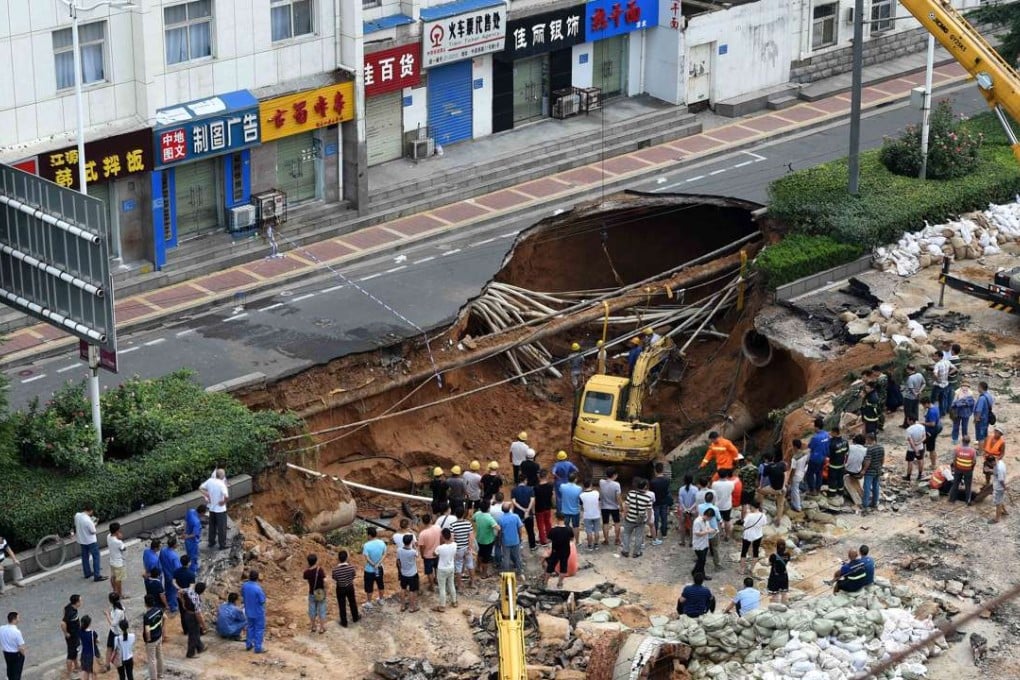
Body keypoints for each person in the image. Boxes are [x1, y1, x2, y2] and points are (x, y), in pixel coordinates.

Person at [621, 478, 653, 559]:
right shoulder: (648, 498)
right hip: (640, 520)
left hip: (629, 518)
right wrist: (649, 520)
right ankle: (636, 553)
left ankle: (625, 551)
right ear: (645, 487)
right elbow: (649, 510)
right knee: (639, 536)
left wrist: (624, 515)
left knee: (626, 534)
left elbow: (626, 506)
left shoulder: (631, 493)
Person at [199, 469, 229, 551]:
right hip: (220, 510)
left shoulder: (210, 481)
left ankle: (211, 542)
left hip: (211, 509)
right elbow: (226, 496)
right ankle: (222, 545)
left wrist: (206, 494)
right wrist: (223, 502)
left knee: (212, 526)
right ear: (222, 476)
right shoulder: (222, 484)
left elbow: (200, 488)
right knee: (221, 528)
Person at [74, 506, 106, 582]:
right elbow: (93, 531)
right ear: (90, 511)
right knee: (96, 557)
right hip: (91, 541)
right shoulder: (88, 521)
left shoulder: (77, 515)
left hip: (82, 540)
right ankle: (97, 575)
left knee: (85, 556)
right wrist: (94, 523)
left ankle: (87, 573)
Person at [543, 513, 574, 589]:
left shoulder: (553, 530)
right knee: (563, 567)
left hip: (555, 551)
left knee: (550, 566)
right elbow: (572, 539)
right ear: (564, 519)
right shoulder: (569, 529)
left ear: (557, 519)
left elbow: (547, 540)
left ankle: (545, 583)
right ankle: (560, 584)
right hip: (566, 551)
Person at [331, 551, 359, 628]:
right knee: (352, 602)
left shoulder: (335, 570)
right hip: (350, 587)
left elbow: (334, 578)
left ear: (338, 559)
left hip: (340, 588)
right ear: (347, 558)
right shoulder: (351, 567)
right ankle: (355, 617)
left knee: (341, 604)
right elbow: (354, 576)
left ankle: (344, 622)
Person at [739, 500, 767, 574]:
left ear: (753, 507)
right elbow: (764, 524)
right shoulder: (763, 515)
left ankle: (742, 570)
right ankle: (752, 569)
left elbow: (744, 524)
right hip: (758, 534)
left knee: (744, 552)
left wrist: (747, 514)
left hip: (748, 535)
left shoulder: (749, 515)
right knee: (755, 551)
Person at [180, 582, 207, 658]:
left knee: (195, 632)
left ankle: (200, 647)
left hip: (187, 614)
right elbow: (198, 615)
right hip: (192, 617)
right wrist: (203, 625)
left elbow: (180, 591)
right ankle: (190, 653)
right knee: (193, 635)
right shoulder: (197, 599)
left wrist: (183, 602)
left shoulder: (189, 590)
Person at [241, 570, 266, 653]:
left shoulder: (244, 586)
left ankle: (248, 644)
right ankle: (258, 647)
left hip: (248, 610)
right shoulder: (258, 588)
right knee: (259, 629)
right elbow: (262, 600)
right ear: (257, 578)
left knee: (250, 627)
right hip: (258, 612)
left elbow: (242, 594)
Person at [472, 504, 500, 580]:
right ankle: (484, 574)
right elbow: (498, 528)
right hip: (488, 540)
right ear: (488, 509)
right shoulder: (489, 518)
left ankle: (477, 567)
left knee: (480, 553)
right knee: (486, 558)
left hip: (479, 538)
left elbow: (473, 519)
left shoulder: (477, 514)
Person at [361, 527, 387, 607]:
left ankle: (369, 602)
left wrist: (373, 564)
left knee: (369, 586)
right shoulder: (382, 543)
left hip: (369, 570)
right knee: (380, 583)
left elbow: (367, 558)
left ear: (369, 535)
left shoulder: (366, 545)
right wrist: (378, 563)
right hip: (379, 568)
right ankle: (381, 599)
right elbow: (384, 554)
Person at [434, 529, 458, 612]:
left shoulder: (440, 548)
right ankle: (454, 602)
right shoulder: (455, 545)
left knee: (442, 588)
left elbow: (435, 554)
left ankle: (442, 606)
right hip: (451, 567)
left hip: (442, 569)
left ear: (443, 537)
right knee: (451, 584)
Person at [759, 451, 787, 524]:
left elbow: (763, 478)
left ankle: (760, 507)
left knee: (760, 491)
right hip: (783, 489)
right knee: (780, 504)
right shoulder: (780, 465)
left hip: (774, 489)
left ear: (766, 460)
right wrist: (783, 485)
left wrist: (760, 487)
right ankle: (778, 519)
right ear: (773, 458)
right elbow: (785, 473)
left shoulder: (767, 467)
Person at [450, 509, 475, 587]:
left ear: (455, 515)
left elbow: (452, 538)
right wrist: (470, 548)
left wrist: (454, 549)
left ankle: (459, 585)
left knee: (458, 566)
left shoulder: (452, 525)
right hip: (467, 547)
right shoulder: (468, 524)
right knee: (470, 565)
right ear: (463, 514)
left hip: (458, 549)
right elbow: (471, 537)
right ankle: (472, 583)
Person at [498, 502, 525, 576]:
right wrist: (519, 537)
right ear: (510, 509)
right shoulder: (516, 516)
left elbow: (500, 532)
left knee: (506, 558)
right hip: (515, 540)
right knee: (517, 557)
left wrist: (499, 540)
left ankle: (506, 573)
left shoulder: (500, 519)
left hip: (506, 541)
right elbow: (520, 528)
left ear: (502, 510)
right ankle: (519, 572)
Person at [395, 535, 420, 614]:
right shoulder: (412, 552)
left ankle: (403, 606)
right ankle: (412, 607)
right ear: (410, 542)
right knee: (412, 590)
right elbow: (417, 555)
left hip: (403, 573)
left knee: (403, 588)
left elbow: (398, 560)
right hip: (412, 573)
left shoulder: (399, 550)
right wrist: (415, 546)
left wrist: (401, 568)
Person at [141, 595, 164, 680]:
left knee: (152, 660)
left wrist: (148, 639)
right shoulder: (158, 610)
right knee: (160, 655)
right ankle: (160, 674)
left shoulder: (147, 616)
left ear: (145, 604)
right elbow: (164, 617)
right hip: (159, 636)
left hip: (152, 640)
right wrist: (161, 628)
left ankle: (154, 678)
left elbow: (147, 630)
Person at [949, 436, 977, 505]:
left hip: (958, 469)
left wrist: (956, 467)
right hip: (968, 470)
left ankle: (952, 499)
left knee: (955, 484)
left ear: (962, 441)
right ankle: (968, 501)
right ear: (969, 442)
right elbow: (974, 461)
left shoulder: (957, 449)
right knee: (968, 486)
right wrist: (971, 468)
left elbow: (954, 460)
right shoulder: (972, 451)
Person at [690, 508, 717, 580]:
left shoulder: (706, 521)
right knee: (702, 560)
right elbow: (697, 533)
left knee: (701, 560)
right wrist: (707, 532)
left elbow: (708, 528)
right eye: (710, 517)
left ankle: (694, 571)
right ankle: (702, 575)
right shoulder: (697, 521)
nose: (710, 519)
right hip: (698, 544)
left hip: (705, 543)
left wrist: (714, 530)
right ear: (708, 516)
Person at [303, 554, 327, 634]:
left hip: (311, 593)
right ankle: (322, 628)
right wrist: (325, 590)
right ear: (316, 561)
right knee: (322, 610)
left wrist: (308, 567)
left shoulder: (307, 572)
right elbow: (325, 581)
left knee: (312, 610)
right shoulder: (320, 570)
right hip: (320, 592)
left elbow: (305, 576)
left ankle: (313, 626)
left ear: (308, 562)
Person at [511, 478, 537, 551]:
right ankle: (532, 546)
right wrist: (528, 510)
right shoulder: (530, 489)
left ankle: (518, 545)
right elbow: (532, 500)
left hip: (518, 513)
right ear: (525, 480)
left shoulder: (514, 490)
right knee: (530, 530)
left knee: (517, 530)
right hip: (528, 514)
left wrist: (522, 509)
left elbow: (514, 502)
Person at [861, 433, 885, 513]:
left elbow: (868, 461)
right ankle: (874, 503)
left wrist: (864, 470)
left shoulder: (870, 449)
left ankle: (865, 504)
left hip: (870, 471)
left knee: (867, 487)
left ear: (869, 439)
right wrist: (880, 466)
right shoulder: (881, 447)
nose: (866, 441)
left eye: (867, 439)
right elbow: (882, 459)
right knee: (876, 486)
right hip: (878, 470)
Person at [599, 468, 623, 547]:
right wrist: (621, 506)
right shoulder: (616, 484)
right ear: (614, 475)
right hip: (614, 507)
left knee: (605, 523)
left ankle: (606, 540)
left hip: (604, 507)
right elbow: (618, 497)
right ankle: (617, 539)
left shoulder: (601, 482)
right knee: (617, 523)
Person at [698, 492, 722, 570]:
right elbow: (719, 519)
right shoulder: (715, 508)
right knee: (715, 548)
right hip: (713, 531)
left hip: (703, 531)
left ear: (704, 498)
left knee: (703, 548)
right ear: (712, 499)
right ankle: (717, 565)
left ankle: (701, 563)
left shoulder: (699, 507)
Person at [710, 470, 736, 541]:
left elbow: (713, 493)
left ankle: (717, 535)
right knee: (727, 520)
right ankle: (727, 535)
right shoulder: (731, 483)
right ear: (726, 475)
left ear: (718, 475)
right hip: (727, 505)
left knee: (717, 520)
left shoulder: (714, 484)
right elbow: (732, 491)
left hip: (717, 506)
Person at [649, 463, 672, 544]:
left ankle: (654, 534)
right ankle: (664, 533)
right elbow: (668, 491)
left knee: (655, 518)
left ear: (655, 470)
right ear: (663, 470)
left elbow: (651, 493)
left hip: (655, 502)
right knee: (664, 518)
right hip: (664, 501)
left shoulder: (652, 481)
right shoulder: (667, 480)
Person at [158, 538, 182, 616]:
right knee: (173, 591)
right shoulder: (174, 556)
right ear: (174, 545)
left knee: (167, 588)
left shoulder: (163, 550)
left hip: (166, 573)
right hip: (172, 575)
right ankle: (173, 607)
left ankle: (167, 600)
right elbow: (177, 569)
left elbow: (160, 560)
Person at [103, 593, 126, 673]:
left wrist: (107, 615)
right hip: (113, 631)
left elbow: (113, 623)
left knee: (117, 650)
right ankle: (107, 665)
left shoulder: (119, 611)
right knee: (109, 648)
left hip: (117, 633)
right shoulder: (118, 607)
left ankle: (119, 664)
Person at [806, 417, 830, 494]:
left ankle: (812, 490)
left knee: (809, 474)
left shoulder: (815, 438)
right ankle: (818, 489)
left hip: (814, 458)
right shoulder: (827, 435)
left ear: (816, 427)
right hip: (823, 458)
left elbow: (810, 446)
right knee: (819, 474)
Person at [61, 594, 82, 680]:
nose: (81, 602)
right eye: (80, 601)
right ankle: (69, 674)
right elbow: (62, 623)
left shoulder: (69, 607)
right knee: (71, 654)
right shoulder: (71, 614)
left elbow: (64, 609)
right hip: (72, 636)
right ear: (76, 602)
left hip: (75, 635)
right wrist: (66, 633)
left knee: (75, 651)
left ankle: (77, 666)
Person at [1, 612, 25, 680]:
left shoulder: (1, 628)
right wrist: (23, 655)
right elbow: (21, 646)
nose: (19, 619)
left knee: (10, 670)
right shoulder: (16, 631)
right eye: (18, 618)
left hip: (6, 653)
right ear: (14, 620)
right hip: (15, 654)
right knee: (17, 673)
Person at [183, 504, 207, 576]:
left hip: (187, 539)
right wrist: (186, 536)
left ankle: (192, 565)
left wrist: (184, 533)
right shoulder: (197, 522)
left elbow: (186, 522)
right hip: (192, 541)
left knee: (190, 554)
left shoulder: (191, 511)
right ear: (202, 513)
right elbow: (194, 534)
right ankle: (192, 572)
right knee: (193, 556)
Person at [558, 473, 583, 539]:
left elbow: (560, 493)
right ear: (575, 479)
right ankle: (577, 541)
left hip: (565, 510)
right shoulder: (579, 488)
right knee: (576, 526)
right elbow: (580, 499)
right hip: (575, 511)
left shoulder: (562, 486)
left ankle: (566, 539)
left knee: (565, 526)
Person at [931, 351, 953, 422]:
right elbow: (955, 368)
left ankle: (931, 413)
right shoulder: (947, 362)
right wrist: (948, 374)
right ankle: (942, 413)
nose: (934, 357)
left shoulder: (937, 364)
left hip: (938, 385)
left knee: (933, 399)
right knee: (942, 399)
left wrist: (937, 380)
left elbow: (935, 374)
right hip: (945, 384)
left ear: (940, 357)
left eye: (935, 356)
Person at [676, 476, 699, 547]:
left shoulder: (681, 489)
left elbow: (680, 501)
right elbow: (696, 501)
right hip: (693, 510)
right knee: (692, 526)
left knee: (682, 526)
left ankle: (682, 541)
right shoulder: (695, 489)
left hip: (683, 510)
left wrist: (685, 509)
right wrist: (690, 509)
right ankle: (691, 542)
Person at [579, 479, 602, 551]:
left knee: (589, 531)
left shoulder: (581, 495)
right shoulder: (596, 493)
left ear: (583, 486)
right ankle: (596, 545)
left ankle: (590, 546)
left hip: (587, 515)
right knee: (596, 531)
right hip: (596, 514)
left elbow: (581, 506)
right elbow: (599, 502)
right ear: (591, 485)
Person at [534, 469, 555, 546]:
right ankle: (550, 537)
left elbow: (534, 499)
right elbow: (553, 496)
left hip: (539, 508)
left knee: (540, 525)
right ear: (546, 476)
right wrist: (553, 505)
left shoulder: (536, 487)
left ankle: (543, 540)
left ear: (539, 477)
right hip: (548, 507)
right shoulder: (550, 485)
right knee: (548, 522)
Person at [787, 439, 808, 513]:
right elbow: (806, 464)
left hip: (796, 475)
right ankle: (794, 502)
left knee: (795, 490)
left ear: (795, 447)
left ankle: (797, 506)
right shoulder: (804, 454)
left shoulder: (795, 458)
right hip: (802, 473)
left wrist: (790, 478)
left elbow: (793, 470)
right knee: (794, 489)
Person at [921, 396, 942, 471]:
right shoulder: (934, 407)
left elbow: (932, 424)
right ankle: (922, 459)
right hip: (935, 429)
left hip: (931, 431)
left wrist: (924, 423)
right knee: (923, 443)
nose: (923, 406)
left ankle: (933, 465)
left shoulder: (931, 412)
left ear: (926, 403)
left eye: (923, 405)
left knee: (931, 449)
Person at [902, 364, 926, 428]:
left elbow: (911, 388)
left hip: (909, 397)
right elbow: (924, 383)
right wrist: (920, 391)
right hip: (917, 396)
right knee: (915, 410)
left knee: (908, 411)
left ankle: (907, 424)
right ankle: (915, 423)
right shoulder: (919, 375)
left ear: (908, 369)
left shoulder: (910, 378)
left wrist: (915, 394)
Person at [905, 416, 927, 481]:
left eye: (908, 420)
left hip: (911, 449)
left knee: (910, 462)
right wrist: (919, 443)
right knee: (920, 460)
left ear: (911, 421)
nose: (907, 421)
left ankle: (908, 477)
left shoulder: (909, 430)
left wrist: (915, 449)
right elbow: (924, 437)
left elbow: (911, 441)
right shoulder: (922, 427)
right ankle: (920, 475)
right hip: (920, 447)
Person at [827, 426, 848, 495]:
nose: (830, 434)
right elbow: (846, 451)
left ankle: (832, 493)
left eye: (831, 432)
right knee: (840, 479)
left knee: (832, 479)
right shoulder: (845, 441)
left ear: (835, 433)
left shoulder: (832, 443)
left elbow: (829, 454)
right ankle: (840, 492)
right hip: (841, 464)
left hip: (833, 465)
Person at [973, 382, 996, 447]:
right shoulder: (989, 396)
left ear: (981, 387)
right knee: (985, 434)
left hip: (981, 419)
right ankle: (985, 448)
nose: (977, 389)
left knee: (980, 437)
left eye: (978, 387)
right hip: (986, 419)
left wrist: (976, 419)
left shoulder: (982, 398)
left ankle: (980, 451)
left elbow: (979, 410)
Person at [79, 614, 99, 680]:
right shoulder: (93, 633)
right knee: (94, 672)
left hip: (84, 655)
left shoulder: (80, 631)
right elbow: (96, 641)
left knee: (85, 671)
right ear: (89, 623)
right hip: (92, 655)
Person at [991, 455, 1008, 524]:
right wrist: (990, 470)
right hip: (1000, 487)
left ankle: (997, 519)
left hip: (999, 488)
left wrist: (1005, 487)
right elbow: (996, 473)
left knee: (998, 503)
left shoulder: (999, 469)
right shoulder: (1000, 462)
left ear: (992, 462)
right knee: (1000, 500)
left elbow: (1001, 480)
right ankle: (1005, 511)